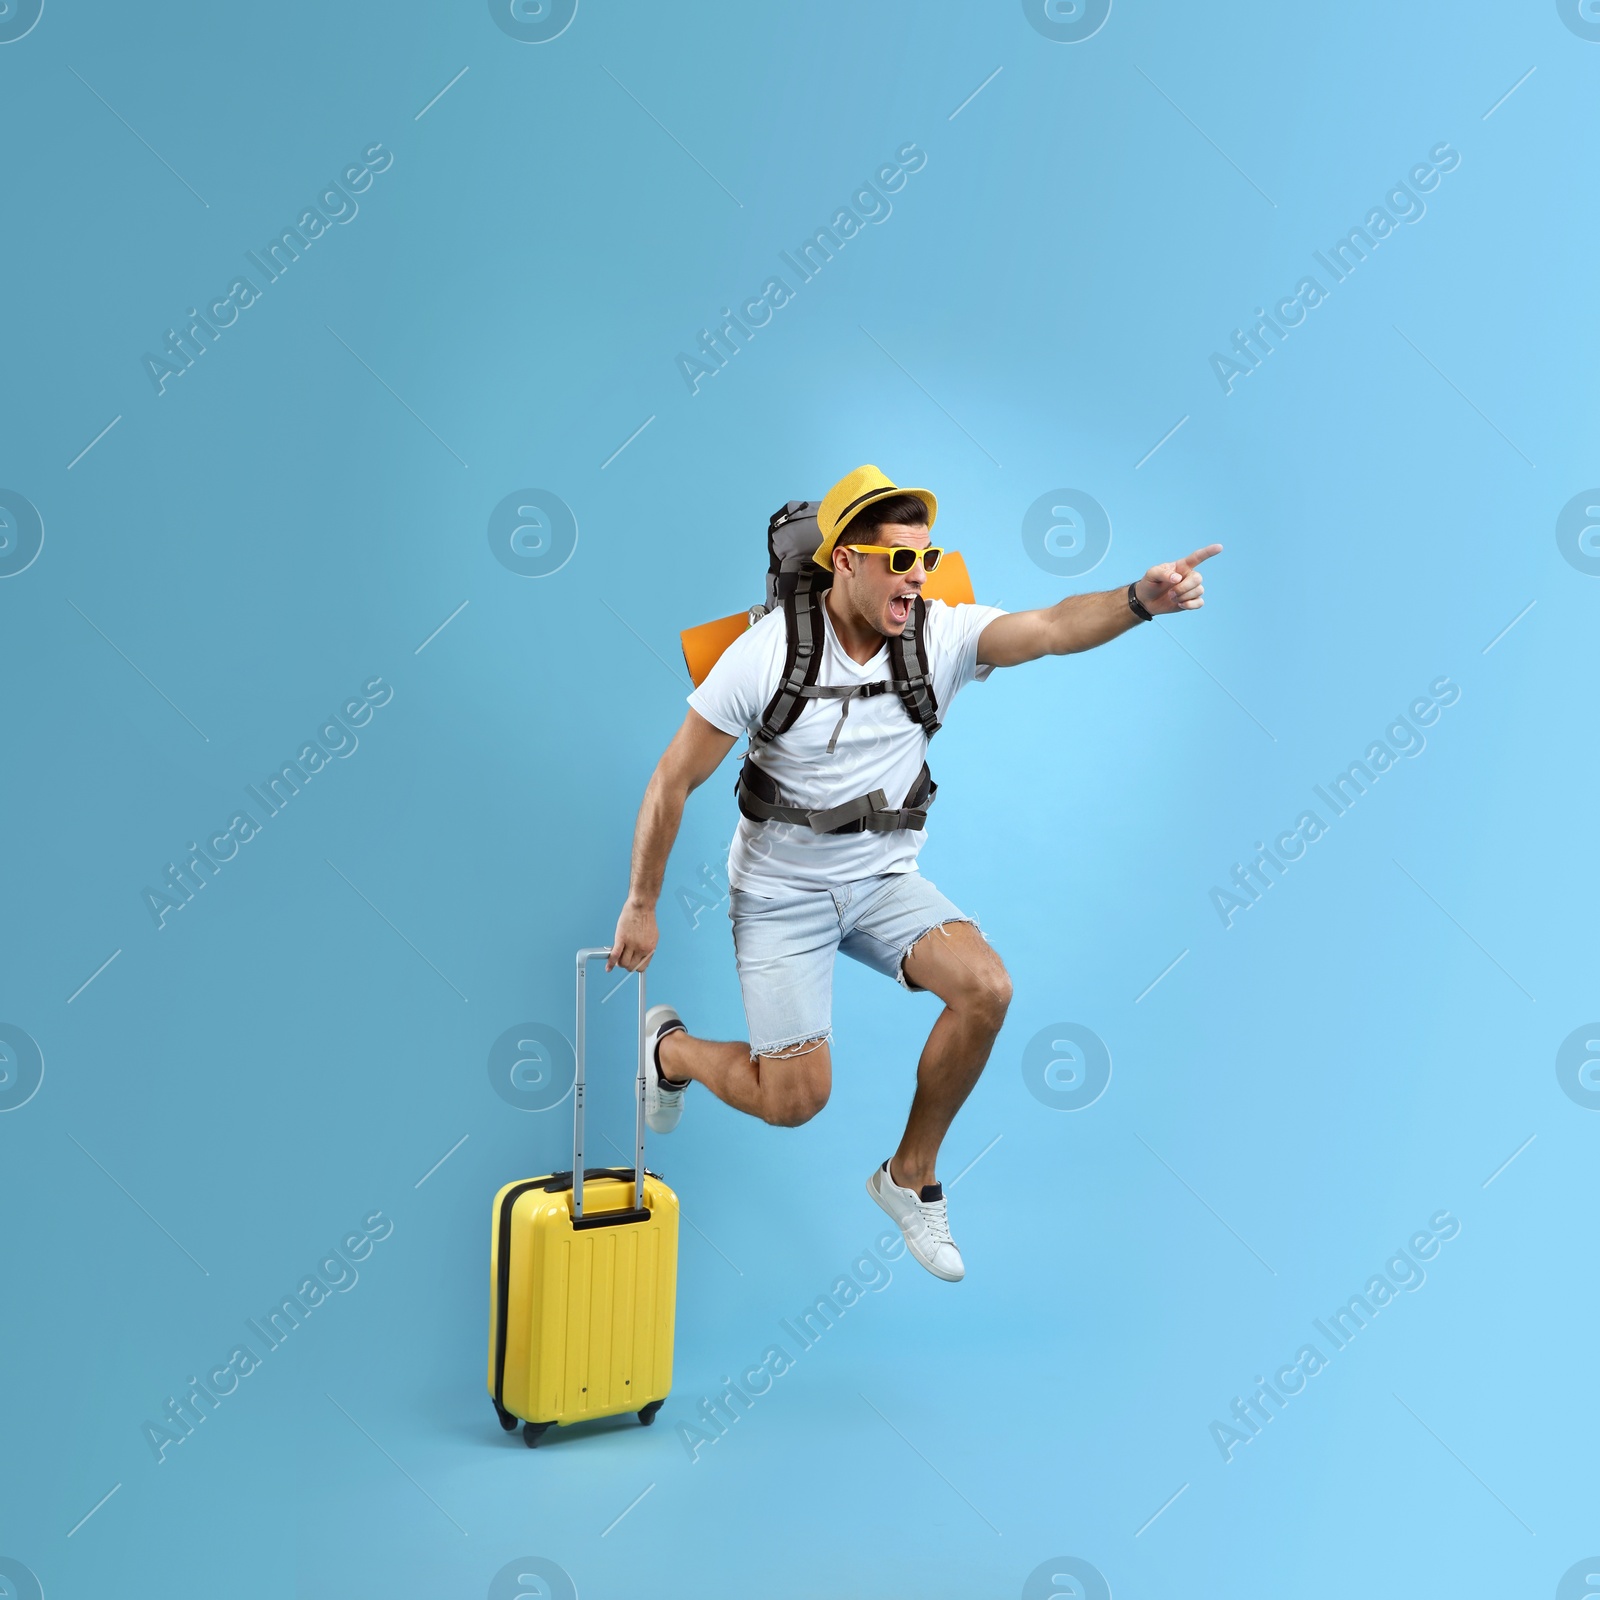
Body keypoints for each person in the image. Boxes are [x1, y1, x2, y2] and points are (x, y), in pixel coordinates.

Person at [607, 465, 1220, 1281]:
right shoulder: (765, 657)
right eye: (898, 561)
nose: (918, 578)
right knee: (794, 1101)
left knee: (987, 989)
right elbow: (670, 780)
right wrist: (642, 905)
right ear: (845, 561)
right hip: (781, 893)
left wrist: (1138, 600)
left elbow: (1050, 627)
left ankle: (909, 1178)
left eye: (925, 559)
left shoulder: (938, 634)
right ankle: (670, 1052)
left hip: (883, 880)